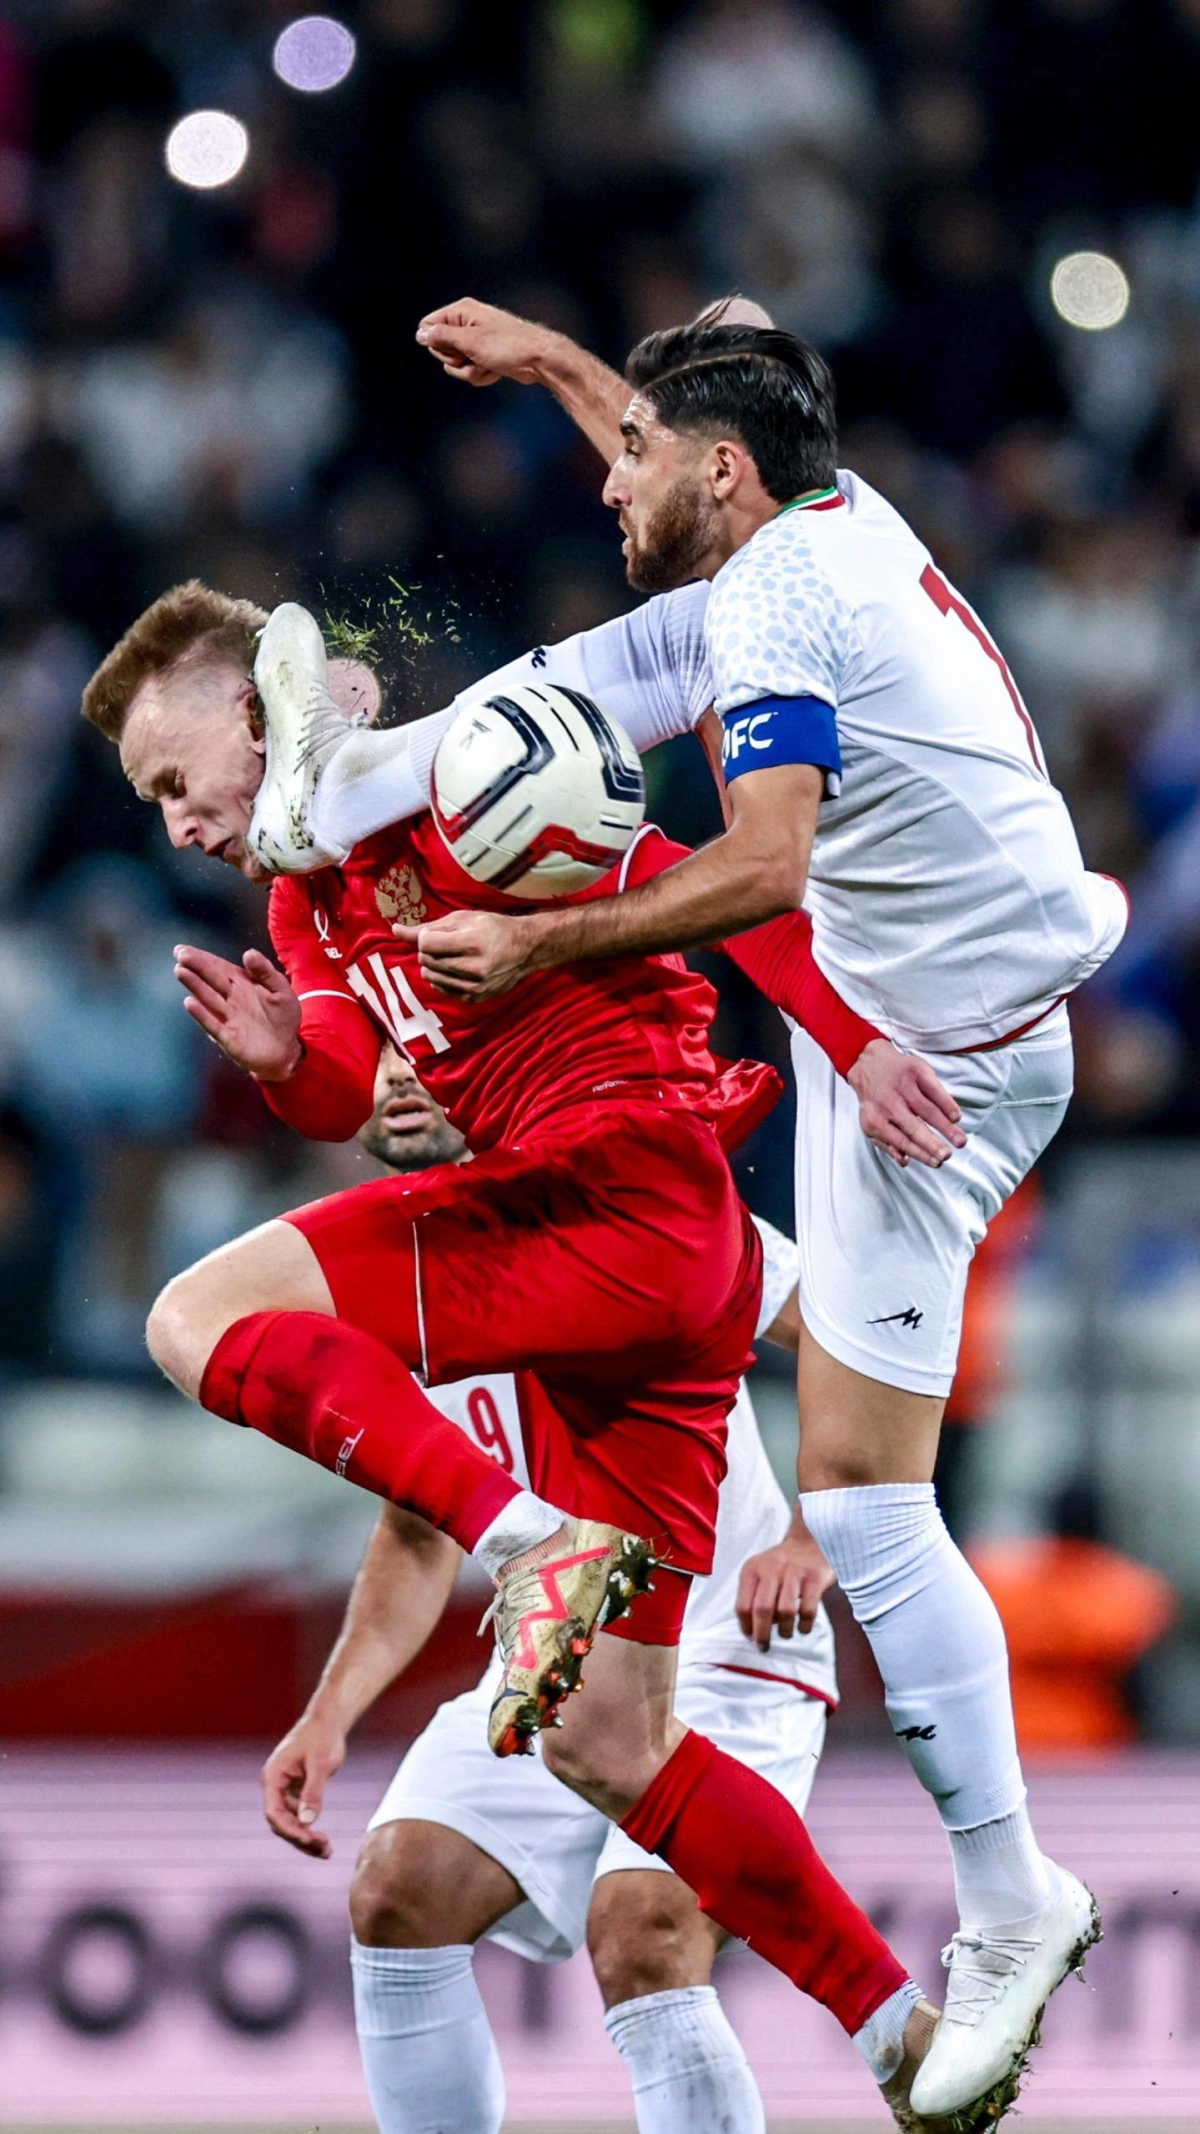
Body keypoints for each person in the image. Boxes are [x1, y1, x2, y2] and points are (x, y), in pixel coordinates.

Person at [254, 295, 1127, 2121]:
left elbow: (767, 863)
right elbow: (694, 450)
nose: (604, 478)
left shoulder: (781, 603)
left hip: (939, 1054)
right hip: (941, 1000)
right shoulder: (812, 520)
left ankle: (1009, 1898)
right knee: (539, 704)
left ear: (719, 473)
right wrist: (563, 363)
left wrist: (539, 940)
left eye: (631, 453)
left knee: (869, 1505)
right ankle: (315, 784)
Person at [78, 583, 975, 2125]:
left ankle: (533, 1543)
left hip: (613, 1192)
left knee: (192, 1318)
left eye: (176, 779)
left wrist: (855, 1039)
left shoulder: (460, 776)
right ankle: (909, 2032)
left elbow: (709, 884)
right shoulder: (304, 903)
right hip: (641, 1289)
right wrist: (289, 1066)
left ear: (256, 709)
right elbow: (353, 1079)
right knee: (602, 1743)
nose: (176, 824)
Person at [262, 1045, 863, 2134]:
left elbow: (850, 1338)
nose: (399, 1078)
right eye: (372, 1052)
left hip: (724, 1648)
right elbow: (416, 1532)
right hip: (554, 1663)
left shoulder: (619, 1190)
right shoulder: (372, 1281)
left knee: (644, 1933)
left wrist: (814, 1529)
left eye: (419, 1044)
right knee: (397, 1893)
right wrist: (329, 1713)